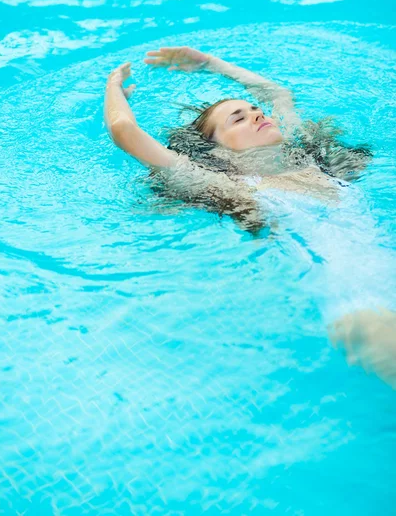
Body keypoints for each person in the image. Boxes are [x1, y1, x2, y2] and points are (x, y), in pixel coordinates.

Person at [104, 46, 396, 389]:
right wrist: (113, 85)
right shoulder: (234, 185)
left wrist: (212, 64)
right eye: (238, 119)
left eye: (254, 110)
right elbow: (124, 130)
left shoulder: (310, 161)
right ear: (216, 149)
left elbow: (277, 93)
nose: (257, 115)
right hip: (364, 308)